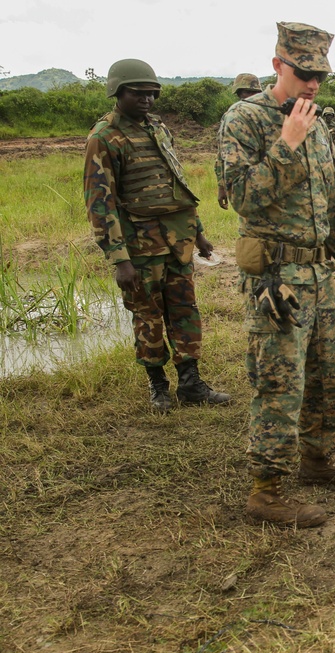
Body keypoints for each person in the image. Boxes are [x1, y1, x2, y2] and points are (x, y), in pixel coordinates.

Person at [218, 21, 335, 528]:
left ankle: (318, 460)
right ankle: (268, 490)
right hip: (275, 280)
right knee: (280, 385)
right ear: (277, 64)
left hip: (319, 274)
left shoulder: (320, 124)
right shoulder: (245, 119)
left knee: (332, 380)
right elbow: (240, 197)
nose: (313, 84)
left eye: (320, 76)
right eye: (304, 72)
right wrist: (286, 142)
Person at [84, 58, 231, 414]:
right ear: (118, 92)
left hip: (176, 243)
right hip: (139, 247)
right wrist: (120, 260)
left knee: (184, 311)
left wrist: (199, 234)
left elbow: (176, 185)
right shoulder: (104, 138)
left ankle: (192, 383)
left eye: (152, 93)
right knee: (147, 316)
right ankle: (158, 386)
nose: (147, 100)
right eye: (138, 93)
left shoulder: (159, 128)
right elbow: (100, 204)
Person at [215, 73, 262, 209]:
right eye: (245, 93)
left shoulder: (269, 116)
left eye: (253, 93)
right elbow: (222, 153)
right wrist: (221, 186)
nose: (248, 97)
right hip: (243, 185)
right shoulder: (231, 117)